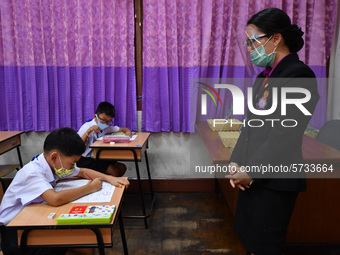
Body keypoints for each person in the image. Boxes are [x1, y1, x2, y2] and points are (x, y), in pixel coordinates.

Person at [225, 8, 320, 255]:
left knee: (265, 246)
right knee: (249, 240)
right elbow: (250, 124)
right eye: (247, 42)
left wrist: (252, 170)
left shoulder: (298, 75)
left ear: (275, 38)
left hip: (275, 180)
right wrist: (236, 160)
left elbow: (283, 136)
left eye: (253, 40)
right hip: (253, 176)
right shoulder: (264, 77)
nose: (249, 48)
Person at [0, 127, 129, 255]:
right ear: (55, 157)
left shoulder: (54, 165)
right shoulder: (33, 172)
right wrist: (89, 188)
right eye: (72, 164)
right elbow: (55, 199)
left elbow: (83, 172)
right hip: (16, 234)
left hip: (34, 221)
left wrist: (109, 178)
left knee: (87, 247)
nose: (73, 167)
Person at [77, 102, 132, 177]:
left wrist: (128, 132)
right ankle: (107, 182)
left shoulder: (106, 128)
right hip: (86, 160)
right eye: (103, 120)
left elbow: (123, 129)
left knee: (122, 167)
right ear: (95, 116)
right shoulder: (86, 127)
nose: (105, 123)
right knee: (114, 171)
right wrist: (88, 131)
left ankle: (109, 184)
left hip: (99, 157)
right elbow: (78, 147)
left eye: (108, 121)